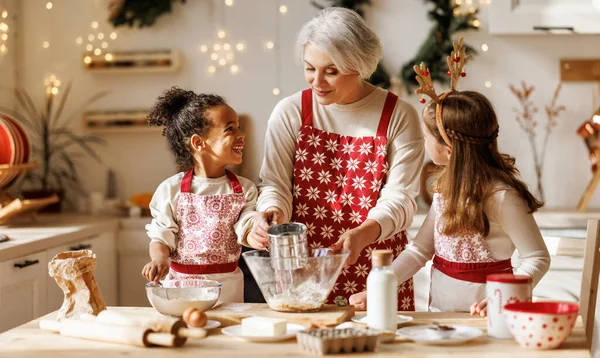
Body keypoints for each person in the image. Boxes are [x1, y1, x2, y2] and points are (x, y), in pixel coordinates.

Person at [349, 39, 551, 314]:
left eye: (427, 136)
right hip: (440, 320)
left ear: (448, 147)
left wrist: (503, 299)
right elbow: (420, 251)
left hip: (487, 320)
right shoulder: (445, 190)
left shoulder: (502, 196)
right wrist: (379, 288)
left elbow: (536, 257)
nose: (424, 142)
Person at [246, 7, 425, 310]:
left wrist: (362, 234)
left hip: (377, 268)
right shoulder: (290, 112)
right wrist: (272, 211)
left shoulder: (398, 115)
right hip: (302, 270)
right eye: (309, 68)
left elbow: (402, 199)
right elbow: (274, 183)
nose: (317, 81)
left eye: (331, 71)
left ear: (361, 65)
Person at [142, 87, 258, 303]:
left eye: (239, 127)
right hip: (182, 288)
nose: (241, 135)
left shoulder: (245, 189)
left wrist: (257, 233)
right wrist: (159, 259)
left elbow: (247, 225)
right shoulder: (171, 190)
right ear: (198, 143)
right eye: (230, 129)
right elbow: (161, 236)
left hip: (229, 287)